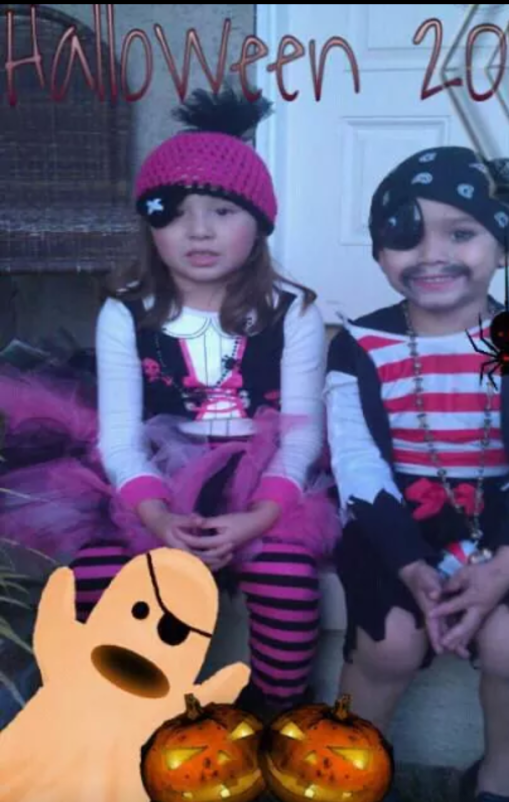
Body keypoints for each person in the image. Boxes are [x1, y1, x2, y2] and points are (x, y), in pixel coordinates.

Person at [0, 85, 340, 718]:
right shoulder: (127, 312)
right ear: (150, 225)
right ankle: (124, 713)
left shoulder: (292, 312)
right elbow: (121, 438)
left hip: (264, 486)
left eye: (222, 211)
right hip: (154, 481)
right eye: (176, 212)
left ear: (260, 225)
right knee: (103, 575)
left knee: (287, 579)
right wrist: (157, 519)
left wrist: (259, 519)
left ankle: (274, 712)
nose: (199, 231)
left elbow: (300, 436)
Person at [324, 145, 509, 801]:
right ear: (380, 253)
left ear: (506, 248)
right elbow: (356, 466)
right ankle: (349, 773)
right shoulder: (357, 346)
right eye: (405, 235)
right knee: (389, 646)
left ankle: (494, 784)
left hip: (497, 524)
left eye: (460, 233)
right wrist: (409, 564)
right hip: (392, 522)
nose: (430, 254)